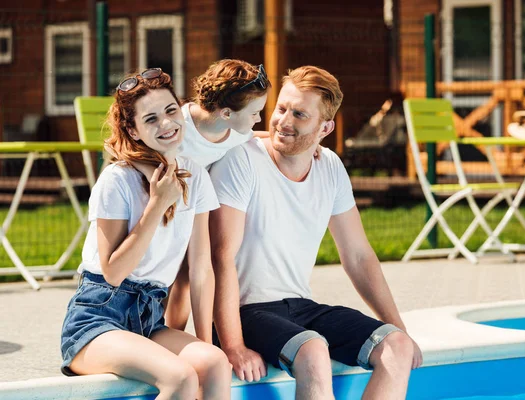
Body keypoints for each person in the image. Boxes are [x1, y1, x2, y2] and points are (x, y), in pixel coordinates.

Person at [209, 65, 423, 399]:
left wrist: (400, 329)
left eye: (299, 114)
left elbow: (358, 255)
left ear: (325, 127)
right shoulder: (242, 159)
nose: (284, 121)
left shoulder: (331, 167)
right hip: (243, 311)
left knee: (396, 347)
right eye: (281, 109)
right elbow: (220, 255)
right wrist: (233, 344)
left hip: (299, 305)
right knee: (312, 350)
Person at [60, 68, 231, 400]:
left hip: (149, 317)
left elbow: (200, 269)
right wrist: (156, 205)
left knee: (214, 363)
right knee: (180, 377)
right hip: (97, 319)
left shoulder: (194, 174)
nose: (166, 124)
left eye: (170, 111)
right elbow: (113, 272)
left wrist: (203, 343)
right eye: (150, 119)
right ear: (133, 130)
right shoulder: (117, 180)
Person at [164, 59, 271, 331]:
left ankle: (171, 334)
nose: (259, 118)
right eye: (255, 112)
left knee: (186, 275)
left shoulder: (234, 129)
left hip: (192, 211)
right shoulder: (177, 126)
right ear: (225, 113)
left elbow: (257, 135)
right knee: (161, 277)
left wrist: (298, 143)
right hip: (158, 208)